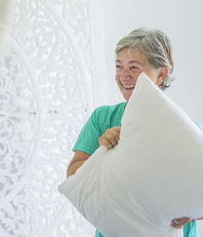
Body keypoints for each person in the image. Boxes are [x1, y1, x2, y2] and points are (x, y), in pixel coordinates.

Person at [66, 27, 202, 237]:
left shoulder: (187, 132)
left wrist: (192, 214)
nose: (123, 76)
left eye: (134, 67)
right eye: (119, 67)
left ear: (161, 74)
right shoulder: (102, 119)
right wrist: (104, 151)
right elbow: (74, 177)